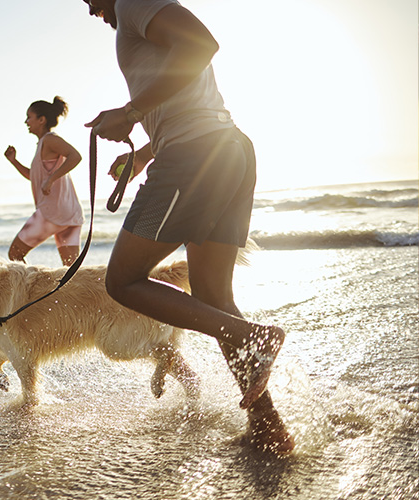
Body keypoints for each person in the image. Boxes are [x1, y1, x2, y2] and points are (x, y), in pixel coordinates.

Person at [82, 0, 294, 454]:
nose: (91, 10)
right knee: (214, 298)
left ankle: (252, 336)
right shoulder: (137, 16)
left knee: (122, 281)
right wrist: (141, 155)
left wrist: (132, 111)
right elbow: (187, 99)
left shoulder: (132, 2)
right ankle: (268, 426)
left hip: (194, 157)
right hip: (224, 148)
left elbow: (202, 44)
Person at [4, 96, 85, 266]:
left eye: (29, 117)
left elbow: (76, 156)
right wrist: (14, 161)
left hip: (51, 213)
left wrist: (51, 179)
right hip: (70, 214)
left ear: (42, 120)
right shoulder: (43, 143)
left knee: (15, 254)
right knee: (70, 269)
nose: (26, 121)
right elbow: (34, 177)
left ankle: (33, 290)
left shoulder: (49, 140)